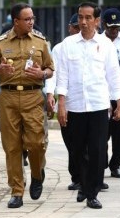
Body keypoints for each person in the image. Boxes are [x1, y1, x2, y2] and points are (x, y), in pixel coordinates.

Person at [0, 2, 54, 208]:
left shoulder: (41, 42)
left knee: (36, 143)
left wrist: (42, 74)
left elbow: (50, 68)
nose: (31, 22)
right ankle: (16, 191)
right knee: (12, 147)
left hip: (33, 96)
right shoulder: (0, 43)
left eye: (32, 18)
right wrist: (0, 69)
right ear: (16, 21)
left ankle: (36, 173)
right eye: (27, 19)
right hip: (8, 98)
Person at [56, 2, 120, 209]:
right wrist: (61, 103)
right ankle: (84, 186)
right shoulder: (67, 44)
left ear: (97, 21)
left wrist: (119, 101)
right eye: (80, 17)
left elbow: (113, 75)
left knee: (97, 150)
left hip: (98, 105)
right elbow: (62, 76)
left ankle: (92, 192)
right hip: (75, 106)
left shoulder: (106, 45)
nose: (83, 22)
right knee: (77, 150)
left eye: (88, 18)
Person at [45, 13, 81, 191]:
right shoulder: (60, 48)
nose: (79, 30)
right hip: (67, 103)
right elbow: (53, 73)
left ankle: (92, 175)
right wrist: (50, 94)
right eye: (76, 26)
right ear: (69, 27)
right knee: (72, 142)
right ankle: (77, 176)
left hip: (92, 104)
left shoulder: (98, 45)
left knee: (94, 143)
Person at [101, 8, 120, 178]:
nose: (114, 30)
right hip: (101, 96)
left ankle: (116, 164)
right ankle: (101, 162)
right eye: (111, 27)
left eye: (117, 27)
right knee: (102, 133)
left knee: (118, 134)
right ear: (104, 25)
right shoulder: (97, 42)